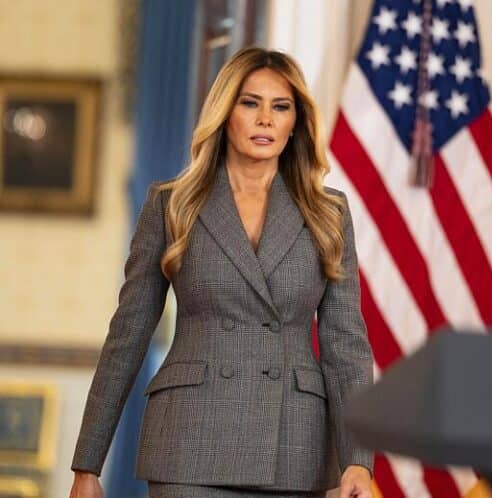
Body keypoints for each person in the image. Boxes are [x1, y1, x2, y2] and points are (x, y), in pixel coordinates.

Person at [69, 47, 374, 498]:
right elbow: (128, 333)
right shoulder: (172, 204)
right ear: (225, 113)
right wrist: (87, 464)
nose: (265, 119)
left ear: (296, 122)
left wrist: (358, 460)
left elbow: (345, 344)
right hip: (189, 444)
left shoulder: (328, 212)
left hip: (294, 448)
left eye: (281, 107)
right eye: (250, 103)